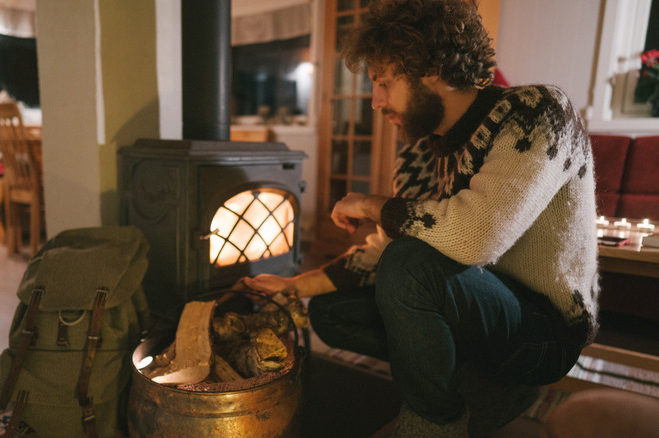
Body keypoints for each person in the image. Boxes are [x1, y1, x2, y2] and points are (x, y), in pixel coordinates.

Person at [236, 0, 600, 436]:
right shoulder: (424, 149)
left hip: (542, 332)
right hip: (473, 308)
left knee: (411, 264)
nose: (375, 102)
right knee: (331, 313)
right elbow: (387, 248)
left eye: (384, 82)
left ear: (433, 68)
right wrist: (295, 287)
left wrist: (373, 206)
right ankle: (474, 381)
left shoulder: (538, 113)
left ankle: (436, 420)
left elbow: (475, 237)